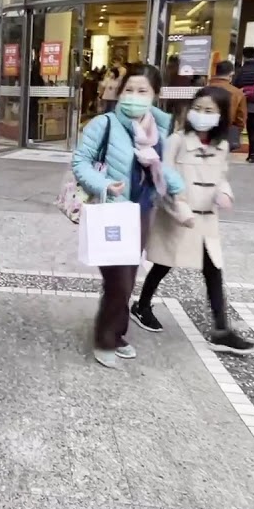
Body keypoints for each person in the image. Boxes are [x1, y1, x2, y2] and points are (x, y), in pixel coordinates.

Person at [72, 64, 186, 369]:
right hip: (111, 212)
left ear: (155, 96)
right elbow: (80, 161)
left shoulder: (158, 129)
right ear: (120, 92)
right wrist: (104, 184)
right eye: (129, 90)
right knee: (119, 281)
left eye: (142, 91)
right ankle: (105, 339)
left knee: (128, 279)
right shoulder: (104, 123)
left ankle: (117, 333)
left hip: (142, 212)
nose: (134, 97)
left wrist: (180, 189)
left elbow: (160, 167)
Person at [134, 86, 254, 355]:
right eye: (198, 109)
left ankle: (221, 329)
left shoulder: (221, 145)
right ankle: (142, 305)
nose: (202, 115)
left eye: (209, 111)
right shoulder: (177, 140)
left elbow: (222, 176)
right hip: (178, 215)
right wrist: (177, 207)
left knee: (213, 269)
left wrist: (224, 192)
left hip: (206, 220)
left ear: (221, 115)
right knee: (164, 263)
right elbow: (163, 176)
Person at [206, 60, 247, 151]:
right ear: (231, 74)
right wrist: (236, 131)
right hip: (225, 132)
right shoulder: (237, 93)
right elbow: (241, 117)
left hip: (205, 131)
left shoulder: (205, 89)